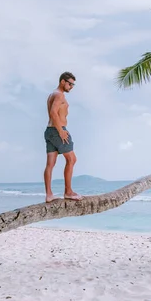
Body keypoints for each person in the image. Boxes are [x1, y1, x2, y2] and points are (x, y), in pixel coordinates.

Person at [43, 71, 83, 203]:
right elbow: (54, 112)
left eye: (73, 85)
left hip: (49, 131)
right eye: (70, 84)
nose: (71, 86)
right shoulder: (59, 95)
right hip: (57, 130)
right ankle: (68, 192)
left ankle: (49, 195)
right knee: (72, 159)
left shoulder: (52, 94)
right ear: (62, 82)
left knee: (50, 164)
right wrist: (61, 131)